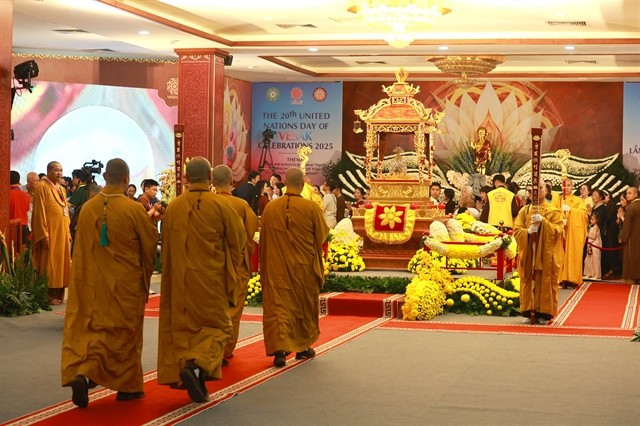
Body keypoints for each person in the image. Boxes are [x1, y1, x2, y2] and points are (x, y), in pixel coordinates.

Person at [61, 158, 158, 408]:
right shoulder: (133, 209)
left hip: (91, 284)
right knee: (122, 333)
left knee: (93, 330)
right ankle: (127, 387)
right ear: (127, 180)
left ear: (104, 177)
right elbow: (149, 248)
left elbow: (79, 249)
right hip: (123, 285)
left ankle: (85, 372)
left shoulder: (89, 209)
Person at [158, 157, 246, 403]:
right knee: (219, 327)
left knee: (186, 328)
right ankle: (196, 367)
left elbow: (166, 246)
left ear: (186, 178)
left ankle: (190, 368)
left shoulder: (174, 207)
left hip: (180, 282)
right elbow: (238, 242)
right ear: (209, 178)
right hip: (211, 280)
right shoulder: (221, 206)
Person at [260, 168, 329, 367]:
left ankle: (279, 351)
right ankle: (302, 347)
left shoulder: (271, 209)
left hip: (277, 268)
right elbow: (321, 236)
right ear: (302, 185)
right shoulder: (311, 208)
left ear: (284, 184)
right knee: (302, 306)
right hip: (303, 268)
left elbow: (263, 239)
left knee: (279, 307)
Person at [212, 165, 259, 363]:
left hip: (209, 266)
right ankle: (226, 349)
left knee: (211, 307)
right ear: (232, 181)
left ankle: (209, 348)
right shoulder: (241, 206)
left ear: (212, 182)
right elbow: (249, 233)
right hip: (236, 264)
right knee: (232, 307)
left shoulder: (204, 203)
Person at [513, 184, 564, 324]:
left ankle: (544, 313)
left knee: (545, 280)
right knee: (528, 280)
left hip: (546, 254)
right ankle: (529, 311)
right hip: (530, 252)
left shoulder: (553, 211)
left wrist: (544, 223)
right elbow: (517, 230)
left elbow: (559, 230)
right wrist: (527, 232)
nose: (534, 192)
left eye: (539, 188)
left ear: (546, 191)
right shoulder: (524, 211)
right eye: (530, 190)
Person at [32, 161, 72, 305]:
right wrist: (43, 233)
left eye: (61, 170)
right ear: (48, 171)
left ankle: (58, 293)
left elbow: (65, 212)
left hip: (61, 232)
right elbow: (39, 212)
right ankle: (47, 296)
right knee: (49, 263)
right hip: (50, 233)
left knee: (61, 263)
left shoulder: (61, 188)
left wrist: (67, 231)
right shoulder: (42, 187)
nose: (59, 173)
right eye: (56, 170)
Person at [552, 178, 588, 288]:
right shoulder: (556, 200)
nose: (566, 188)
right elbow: (551, 212)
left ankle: (571, 279)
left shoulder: (578, 201)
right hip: (559, 232)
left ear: (572, 187)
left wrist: (571, 211)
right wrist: (559, 220)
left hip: (572, 233)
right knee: (558, 254)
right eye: (564, 186)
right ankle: (558, 278)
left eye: (568, 185)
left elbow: (584, 215)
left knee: (572, 253)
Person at [619, 186, 640, 284]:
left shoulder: (631, 207)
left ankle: (632, 277)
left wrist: (623, 237)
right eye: (626, 193)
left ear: (636, 194)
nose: (627, 195)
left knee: (631, 257)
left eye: (630, 193)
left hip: (632, 238)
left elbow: (627, 225)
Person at [9, 171, 31, 245]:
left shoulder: (5, 194)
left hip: (9, 227)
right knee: (21, 253)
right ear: (19, 180)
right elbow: (27, 209)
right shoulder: (26, 195)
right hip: (23, 227)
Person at [583, 212, 602, 280]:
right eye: (590, 219)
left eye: (592, 219)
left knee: (595, 260)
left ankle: (596, 275)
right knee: (588, 260)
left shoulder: (596, 227)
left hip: (595, 245)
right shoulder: (592, 227)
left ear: (596, 220)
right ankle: (589, 274)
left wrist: (586, 234)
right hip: (590, 245)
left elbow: (593, 237)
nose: (591, 221)